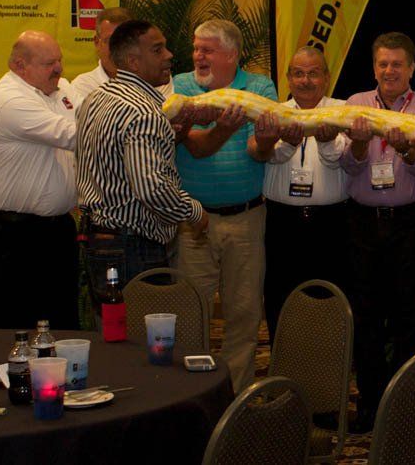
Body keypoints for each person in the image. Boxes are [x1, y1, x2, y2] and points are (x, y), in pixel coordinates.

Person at [173, 19, 276, 394]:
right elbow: (196, 146)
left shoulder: (260, 87)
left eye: (207, 50)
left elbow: (259, 150)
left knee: (244, 315)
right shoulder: (182, 87)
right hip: (194, 220)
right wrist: (226, 128)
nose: (197, 56)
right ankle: (193, 398)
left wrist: (265, 141)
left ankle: (236, 398)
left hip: (246, 217)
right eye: (196, 48)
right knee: (191, 315)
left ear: (231, 55)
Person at [341, 32, 415, 433]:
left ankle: (406, 404)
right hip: (362, 224)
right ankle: (370, 403)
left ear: (412, 68)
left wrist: (411, 149)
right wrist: (361, 146)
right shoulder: (356, 105)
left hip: (409, 223)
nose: (389, 71)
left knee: (409, 320)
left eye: (397, 64)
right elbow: (346, 164)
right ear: (374, 67)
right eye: (383, 64)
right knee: (366, 318)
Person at [76, 20, 208, 296]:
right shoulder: (144, 112)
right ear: (134, 62)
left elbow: (113, 163)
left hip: (99, 239)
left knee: (112, 332)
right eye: (158, 50)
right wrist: (193, 212)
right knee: (143, 336)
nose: (170, 55)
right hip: (133, 246)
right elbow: (151, 187)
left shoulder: (96, 98)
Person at [0, 30, 80, 330]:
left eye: (59, 60)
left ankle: (60, 378)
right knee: (14, 325)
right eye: (50, 63)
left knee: (62, 323)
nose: (59, 69)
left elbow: (91, 117)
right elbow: (73, 134)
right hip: (13, 235)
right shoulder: (9, 99)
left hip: (56, 231)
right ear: (20, 66)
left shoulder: (62, 90)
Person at [249, 46, 348, 342]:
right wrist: (287, 144)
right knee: (282, 299)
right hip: (282, 223)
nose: (305, 81)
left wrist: (328, 141)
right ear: (289, 79)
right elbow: (265, 155)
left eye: (313, 73)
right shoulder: (273, 114)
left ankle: (328, 372)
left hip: (332, 224)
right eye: (298, 74)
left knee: (330, 301)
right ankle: (285, 374)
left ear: (326, 77)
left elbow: (341, 157)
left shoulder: (343, 110)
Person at [69, 7, 172, 105]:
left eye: (125, 41)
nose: (117, 48)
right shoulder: (83, 86)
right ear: (97, 43)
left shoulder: (155, 74)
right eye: (110, 40)